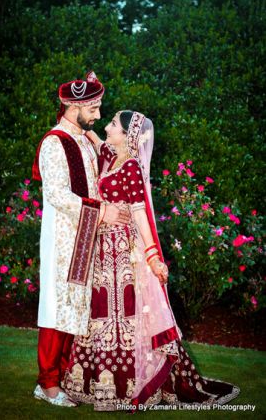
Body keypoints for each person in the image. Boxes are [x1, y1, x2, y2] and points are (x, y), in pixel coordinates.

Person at [63, 110, 240, 410]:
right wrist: (84, 99)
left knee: (126, 317)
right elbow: (90, 135)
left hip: (123, 255)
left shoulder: (130, 167)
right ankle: (97, 384)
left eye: (114, 124)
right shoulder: (110, 156)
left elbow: (139, 214)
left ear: (126, 136)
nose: (107, 125)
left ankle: (127, 386)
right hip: (101, 252)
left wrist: (153, 257)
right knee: (100, 315)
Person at [31, 72, 130, 407]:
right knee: (57, 307)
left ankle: (61, 377)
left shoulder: (85, 139)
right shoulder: (54, 142)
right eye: (94, 108)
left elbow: (109, 162)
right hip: (63, 238)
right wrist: (104, 212)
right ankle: (47, 384)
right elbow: (57, 195)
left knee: (76, 308)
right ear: (75, 105)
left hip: (85, 236)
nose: (99, 115)